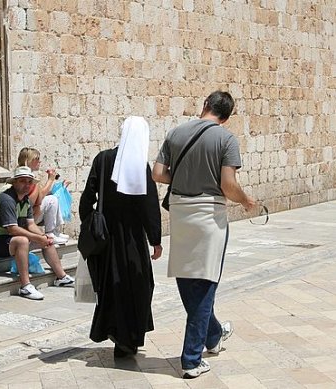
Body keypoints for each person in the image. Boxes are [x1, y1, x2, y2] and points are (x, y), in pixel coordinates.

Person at [152, 91, 256, 378]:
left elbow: (158, 174)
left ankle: (213, 335)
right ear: (227, 115)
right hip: (209, 216)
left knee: (187, 278)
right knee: (206, 284)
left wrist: (185, 176)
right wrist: (246, 201)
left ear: (205, 105)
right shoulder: (226, 140)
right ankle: (191, 359)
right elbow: (228, 184)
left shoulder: (176, 133)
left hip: (181, 214)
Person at [79, 116, 163, 359]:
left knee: (112, 286)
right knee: (138, 285)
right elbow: (149, 207)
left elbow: (87, 198)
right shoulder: (139, 166)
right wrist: (155, 239)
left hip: (107, 238)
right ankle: (128, 338)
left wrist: (91, 224)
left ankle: (118, 334)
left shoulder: (103, 160)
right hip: (133, 240)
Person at [0, 166, 75, 301]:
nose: (27, 185)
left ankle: (61, 276)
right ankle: (25, 285)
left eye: (29, 182)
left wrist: (43, 237)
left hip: (9, 238)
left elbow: (30, 224)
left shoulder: (25, 200)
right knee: (23, 241)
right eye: (23, 181)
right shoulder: (6, 199)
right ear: (14, 182)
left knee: (46, 238)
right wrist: (37, 237)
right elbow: (12, 229)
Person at [17, 147, 69, 245]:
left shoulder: (25, 175)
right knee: (52, 200)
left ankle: (55, 232)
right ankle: (51, 233)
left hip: (28, 215)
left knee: (53, 198)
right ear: (29, 161)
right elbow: (39, 197)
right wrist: (50, 179)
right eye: (37, 159)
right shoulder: (26, 177)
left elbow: (39, 195)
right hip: (25, 218)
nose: (39, 161)